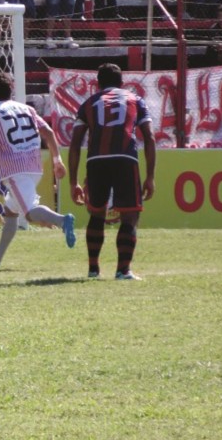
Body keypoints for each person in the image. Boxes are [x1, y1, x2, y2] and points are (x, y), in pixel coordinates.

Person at [67, 63, 156, 280]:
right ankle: (123, 270)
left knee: (96, 212)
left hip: (96, 159)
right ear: (122, 82)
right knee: (130, 215)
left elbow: (75, 143)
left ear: (98, 84)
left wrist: (73, 182)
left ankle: (93, 269)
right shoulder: (135, 100)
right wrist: (150, 177)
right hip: (125, 157)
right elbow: (150, 137)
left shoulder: (88, 103)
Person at [0, 73, 76, 269]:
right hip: (34, 165)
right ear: (10, 90)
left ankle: (62, 220)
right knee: (11, 211)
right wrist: (57, 160)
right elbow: (48, 133)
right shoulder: (27, 108)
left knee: (30, 213)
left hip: (15, 168)